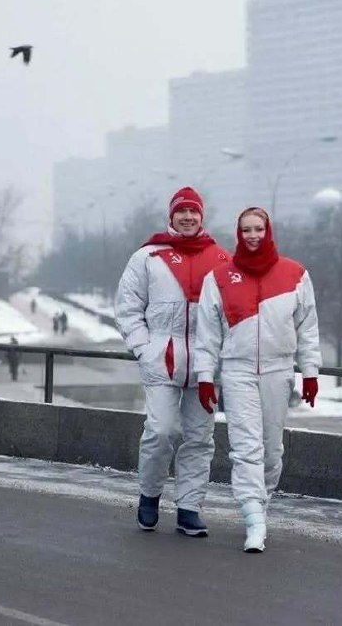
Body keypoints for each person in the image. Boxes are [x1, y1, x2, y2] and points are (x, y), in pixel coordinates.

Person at [194, 207, 321, 553]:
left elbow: (307, 328)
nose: (253, 236)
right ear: (239, 234)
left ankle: (261, 503)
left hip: (279, 371)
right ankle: (253, 519)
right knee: (246, 448)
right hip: (238, 371)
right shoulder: (219, 278)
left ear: (268, 231)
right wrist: (205, 376)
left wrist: (310, 372)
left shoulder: (295, 274)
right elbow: (207, 334)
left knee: (271, 450)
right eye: (246, 230)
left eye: (258, 229)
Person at [115, 187, 229, 537]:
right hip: (161, 360)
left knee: (200, 438)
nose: (188, 217)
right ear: (172, 216)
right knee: (160, 431)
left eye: (194, 212)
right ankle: (149, 495)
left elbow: (232, 314)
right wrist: (143, 348)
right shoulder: (148, 256)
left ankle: (189, 508)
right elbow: (127, 306)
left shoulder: (221, 259)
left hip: (206, 365)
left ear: (202, 216)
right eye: (182, 211)